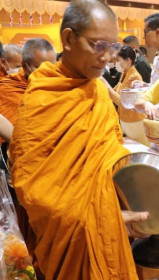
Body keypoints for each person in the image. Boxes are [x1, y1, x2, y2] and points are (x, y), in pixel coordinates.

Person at [10, 0, 148, 279]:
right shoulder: (43, 96)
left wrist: (125, 200)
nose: (108, 57)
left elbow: (107, 153)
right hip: (71, 240)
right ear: (68, 38)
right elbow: (33, 189)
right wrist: (106, 219)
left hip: (112, 224)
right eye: (98, 46)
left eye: (112, 48)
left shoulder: (96, 90)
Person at [0, 38, 56, 129]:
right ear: (25, 66)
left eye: (51, 67)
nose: (47, 73)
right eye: (39, 67)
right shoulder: (7, 89)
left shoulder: (59, 86)